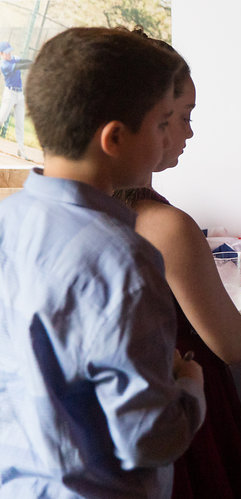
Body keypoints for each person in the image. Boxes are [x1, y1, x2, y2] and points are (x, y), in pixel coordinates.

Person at [0, 27, 206, 497]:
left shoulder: (6, 221)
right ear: (114, 138)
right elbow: (147, 438)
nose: (169, 137)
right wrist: (189, 388)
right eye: (162, 123)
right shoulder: (124, 260)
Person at [116, 36, 241, 499]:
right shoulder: (166, 226)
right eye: (181, 117)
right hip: (181, 403)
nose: (188, 133)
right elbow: (233, 344)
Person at [0, 40, 30, 158]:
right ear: (1, 54)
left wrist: (37, 62)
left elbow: (24, 62)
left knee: (20, 123)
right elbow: (20, 65)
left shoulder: (14, 58)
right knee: (1, 119)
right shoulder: (4, 65)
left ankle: (21, 150)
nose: (9, 54)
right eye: (6, 52)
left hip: (19, 94)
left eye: (9, 51)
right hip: (10, 94)